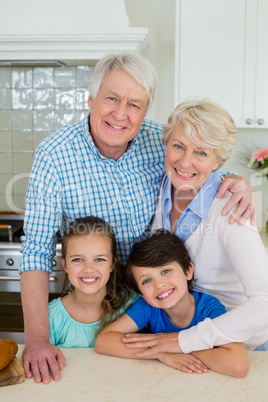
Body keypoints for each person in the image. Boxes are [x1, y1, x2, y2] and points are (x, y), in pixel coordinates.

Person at [19, 52, 255, 384]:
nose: (121, 114)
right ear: (91, 98)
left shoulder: (159, 141)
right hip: (97, 301)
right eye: (112, 98)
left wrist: (238, 181)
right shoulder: (54, 155)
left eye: (135, 105)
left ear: (145, 111)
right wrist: (38, 338)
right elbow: (36, 252)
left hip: (157, 297)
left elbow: (196, 165)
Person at [119, 98, 268, 358]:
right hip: (188, 346)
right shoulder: (156, 188)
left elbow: (264, 303)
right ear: (166, 145)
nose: (185, 162)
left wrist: (183, 341)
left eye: (201, 152)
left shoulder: (232, 208)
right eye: (178, 146)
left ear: (218, 160)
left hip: (245, 350)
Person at [94, 230, 249, 378]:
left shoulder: (209, 308)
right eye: (146, 280)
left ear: (188, 271)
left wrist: (179, 348)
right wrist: (161, 353)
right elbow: (103, 341)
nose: (159, 284)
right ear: (141, 293)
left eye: (166, 271)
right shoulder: (147, 307)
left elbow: (238, 365)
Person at [48, 215, 133, 348]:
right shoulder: (51, 316)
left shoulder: (132, 304)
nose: (88, 269)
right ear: (65, 265)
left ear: (112, 264)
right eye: (77, 259)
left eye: (99, 259)